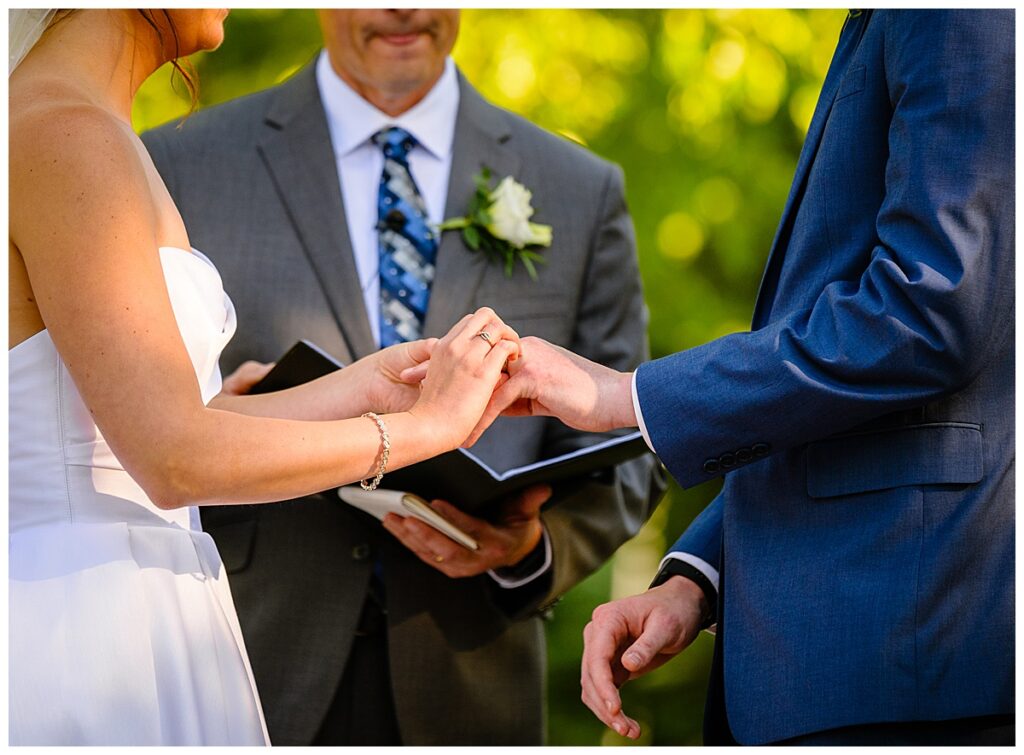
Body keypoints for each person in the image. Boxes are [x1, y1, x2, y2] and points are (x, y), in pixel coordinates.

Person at [455, 8, 1014, 746]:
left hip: (902, 655)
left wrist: (623, 394)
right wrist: (700, 572)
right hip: (839, 656)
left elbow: (932, 307)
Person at [142, 8, 665, 746]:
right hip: (245, 661)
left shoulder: (578, 188)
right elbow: (122, 423)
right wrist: (219, 415)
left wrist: (530, 547)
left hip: (470, 680)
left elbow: (637, 444)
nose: (404, 9)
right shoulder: (178, 164)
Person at [8, 8, 519, 746]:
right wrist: (418, 429)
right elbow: (171, 457)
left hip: (147, 599)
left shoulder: (84, 126)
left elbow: (141, 431)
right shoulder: (65, 132)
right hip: (86, 624)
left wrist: (369, 387)